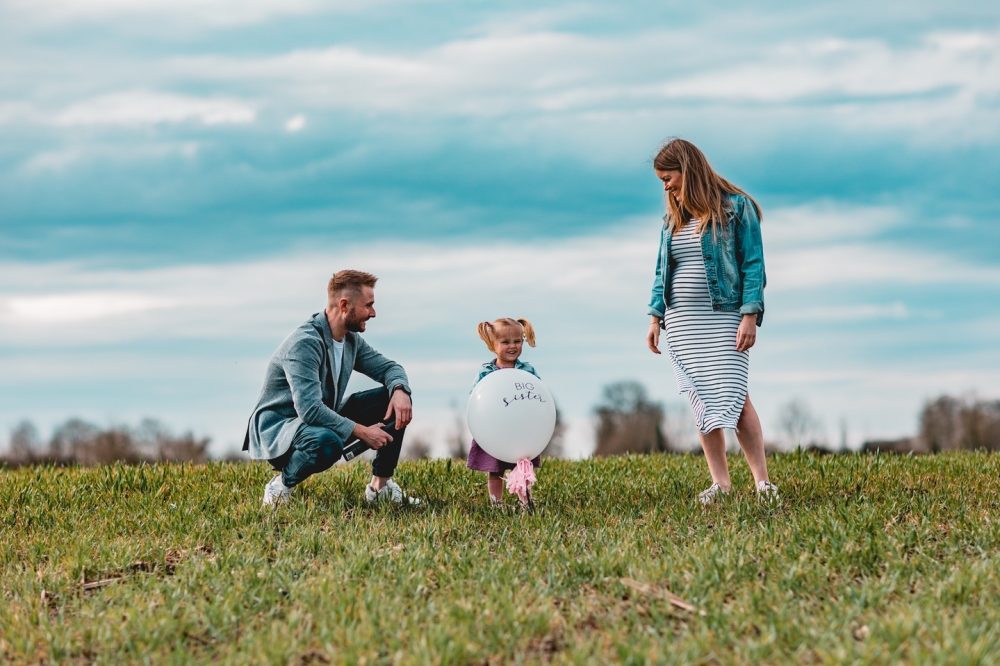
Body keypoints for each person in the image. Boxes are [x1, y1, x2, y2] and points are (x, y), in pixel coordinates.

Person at [645, 138, 778, 505]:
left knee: (736, 397)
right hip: (683, 323)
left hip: (723, 317)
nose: (666, 186)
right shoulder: (671, 219)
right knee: (702, 403)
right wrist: (655, 316)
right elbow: (662, 271)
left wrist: (750, 315)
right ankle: (721, 483)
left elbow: (754, 265)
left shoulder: (737, 208)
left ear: (687, 170)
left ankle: (762, 483)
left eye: (668, 177)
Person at [243, 269, 421, 506]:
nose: (373, 313)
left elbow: (389, 368)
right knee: (327, 442)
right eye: (368, 305)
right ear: (345, 305)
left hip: (318, 420)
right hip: (282, 430)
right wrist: (362, 432)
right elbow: (309, 410)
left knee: (390, 399)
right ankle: (280, 487)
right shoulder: (305, 343)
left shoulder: (350, 340)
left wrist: (400, 389)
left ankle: (380, 488)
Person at [467, 318, 542, 507]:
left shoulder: (528, 370)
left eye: (517, 341)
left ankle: (525, 501)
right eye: (505, 342)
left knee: (522, 466)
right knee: (495, 470)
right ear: (493, 344)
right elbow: (477, 399)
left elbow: (538, 397)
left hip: (521, 428)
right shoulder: (486, 372)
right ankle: (496, 502)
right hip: (495, 430)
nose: (512, 346)